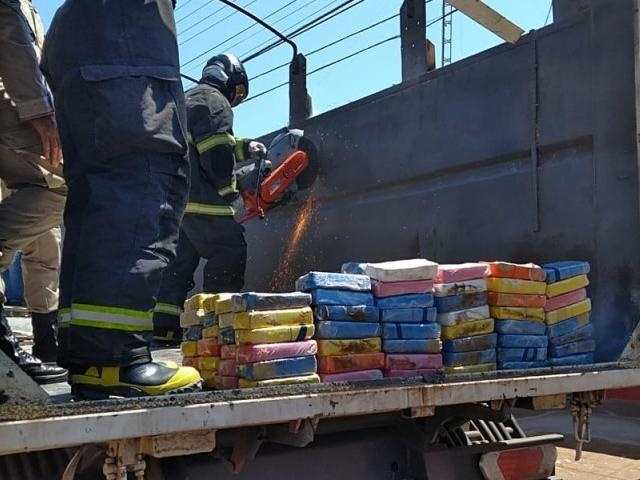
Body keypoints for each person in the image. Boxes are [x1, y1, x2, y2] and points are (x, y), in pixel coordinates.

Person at [41, 0, 200, 399]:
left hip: (90, 51)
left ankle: (91, 362)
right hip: (125, 50)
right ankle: (114, 358)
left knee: (98, 203)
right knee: (141, 190)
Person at [153, 53, 265, 344]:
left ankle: (164, 329)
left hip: (178, 208)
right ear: (231, 79)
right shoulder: (216, 102)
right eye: (238, 92)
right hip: (206, 205)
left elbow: (205, 144)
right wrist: (232, 193)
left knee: (177, 268)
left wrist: (246, 147)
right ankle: (216, 329)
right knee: (229, 252)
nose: (235, 98)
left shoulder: (186, 100)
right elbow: (216, 154)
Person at [0, 0, 67, 384]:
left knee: (42, 231)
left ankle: (44, 339)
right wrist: (38, 108)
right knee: (57, 185)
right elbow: (7, 27)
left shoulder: (34, 10)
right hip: (10, 98)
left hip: (15, 93)